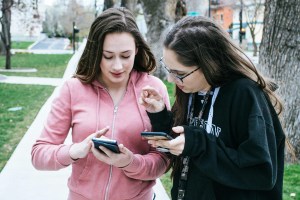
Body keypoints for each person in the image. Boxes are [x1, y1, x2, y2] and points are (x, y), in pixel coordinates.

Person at [140, 16, 285, 200]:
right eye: (168, 69)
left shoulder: (245, 94)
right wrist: (160, 115)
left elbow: (261, 172)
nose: (171, 80)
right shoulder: (191, 89)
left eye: (180, 73)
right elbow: (185, 143)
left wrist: (198, 143)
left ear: (208, 63)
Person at [31, 7, 171, 200]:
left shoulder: (154, 89)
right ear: (96, 52)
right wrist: (74, 151)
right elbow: (39, 155)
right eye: (108, 56)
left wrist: (129, 162)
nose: (117, 66)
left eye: (125, 55)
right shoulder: (73, 89)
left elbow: (164, 158)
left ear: (136, 50)